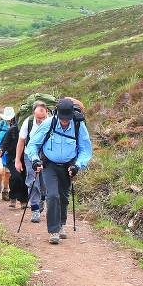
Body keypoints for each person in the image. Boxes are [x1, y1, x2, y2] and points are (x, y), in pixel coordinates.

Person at [24, 98, 93, 244]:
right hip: (49, 165)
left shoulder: (78, 125)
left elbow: (85, 149)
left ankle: (62, 224)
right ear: (57, 115)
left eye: (67, 119)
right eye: (62, 119)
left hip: (69, 165)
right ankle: (54, 230)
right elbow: (32, 145)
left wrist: (78, 165)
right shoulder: (49, 124)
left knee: (63, 197)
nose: (65, 122)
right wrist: (35, 159)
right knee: (53, 195)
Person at [16, 100, 51, 222]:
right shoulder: (28, 122)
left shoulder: (52, 122)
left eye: (42, 118)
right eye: (38, 118)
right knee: (32, 180)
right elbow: (21, 141)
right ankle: (35, 209)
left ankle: (42, 199)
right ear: (33, 114)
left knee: (45, 182)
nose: (40, 121)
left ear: (47, 112)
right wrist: (17, 160)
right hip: (29, 155)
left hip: (47, 156)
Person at [0, 112, 28, 209]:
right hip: (12, 158)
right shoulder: (12, 130)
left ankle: (24, 200)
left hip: (26, 159)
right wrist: (1, 150)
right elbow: (4, 144)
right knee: (16, 177)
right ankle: (13, 197)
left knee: (24, 179)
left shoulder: (31, 129)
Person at [0, 107, 15, 203]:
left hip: (9, 152)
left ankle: (5, 191)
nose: (8, 119)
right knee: (0, 171)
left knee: (8, 173)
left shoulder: (15, 126)